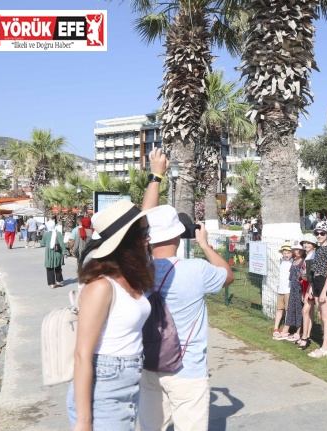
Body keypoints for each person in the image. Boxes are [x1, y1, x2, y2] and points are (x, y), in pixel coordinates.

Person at [138, 147, 234, 431]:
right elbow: (227, 276)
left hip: (148, 363)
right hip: (186, 369)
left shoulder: (138, 270)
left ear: (146, 237)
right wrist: (205, 245)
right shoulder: (195, 270)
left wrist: (157, 174)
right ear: (180, 235)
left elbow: (145, 218)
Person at [67, 199, 156, 431]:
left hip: (128, 382)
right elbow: (82, 354)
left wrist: (155, 177)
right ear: (128, 240)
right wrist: (84, 422)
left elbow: (144, 213)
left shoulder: (128, 275)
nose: (149, 237)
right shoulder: (101, 286)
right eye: (145, 232)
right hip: (104, 388)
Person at [308, 222, 327, 358]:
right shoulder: (317, 249)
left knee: (325, 316)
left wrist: (324, 291)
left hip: (325, 282)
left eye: (322, 233)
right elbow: (314, 270)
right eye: (317, 233)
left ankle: (324, 348)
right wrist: (312, 287)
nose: (319, 235)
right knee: (320, 315)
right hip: (317, 283)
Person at [277, 243, 306, 342]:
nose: (297, 251)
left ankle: (298, 332)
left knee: (299, 309)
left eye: (299, 250)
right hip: (292, 288)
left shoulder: (303, 261)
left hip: (299, 289)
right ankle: (286, 330)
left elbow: (304, 276)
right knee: (291, 308)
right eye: (295, 249)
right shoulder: (294, 261)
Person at [297, 233, 318, 350]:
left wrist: (309, 288)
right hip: (306, 285)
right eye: (304, 243)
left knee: (305, 311)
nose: (306, 245)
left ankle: (304, 337)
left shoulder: (313, 257)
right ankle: (306, 335)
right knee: (309, 311)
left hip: (311, 286)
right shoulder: (308, 256)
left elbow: (312, 275)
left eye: (309, 243)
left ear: (313, 244)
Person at [272, 243, 294, 339]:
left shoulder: (293, 262)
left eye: (288, 252)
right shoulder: (282, 261)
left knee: (287, 309)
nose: (286, 255)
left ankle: (286, 328)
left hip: (288, 289)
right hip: (280, 289)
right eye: (284, 253)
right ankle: (276, 328)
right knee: (279, 309)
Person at [40, 220, 68, 288]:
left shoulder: (45, 234)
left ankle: (52, 284)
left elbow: (42, 244)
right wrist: (65, 252)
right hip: (57, 252)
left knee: (50, 268)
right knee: (58, 267)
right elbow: (62, 244)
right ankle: (58, 281)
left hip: (49, 254)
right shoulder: (58, 233)